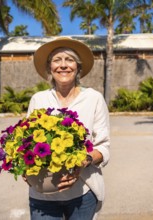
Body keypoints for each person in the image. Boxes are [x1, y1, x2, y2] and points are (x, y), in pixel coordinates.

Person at [25, 37, 110, 220]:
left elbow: (104, 148)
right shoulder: (38, 99)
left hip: (83, 194)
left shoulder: (93, 98)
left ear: (78, 67)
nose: (63, 65)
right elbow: (26, 143)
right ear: (49, 68)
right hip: (42, 194)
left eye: (69, 60)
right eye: (57, 60)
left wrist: (84, 161)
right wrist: (25, 167)